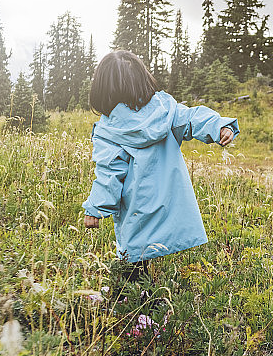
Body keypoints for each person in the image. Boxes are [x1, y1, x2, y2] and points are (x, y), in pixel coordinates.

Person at [82, 50, 239, 278]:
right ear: (143, 79)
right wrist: (220, 126)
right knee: (143, 261)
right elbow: (193, 118)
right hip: (168, 202)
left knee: (131, 262)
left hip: (136, 210)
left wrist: (95, 209)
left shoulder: (108, 130)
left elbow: (110, 173)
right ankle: (146, 293)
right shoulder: (165, 110)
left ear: (102, 89)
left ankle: (133, 296)